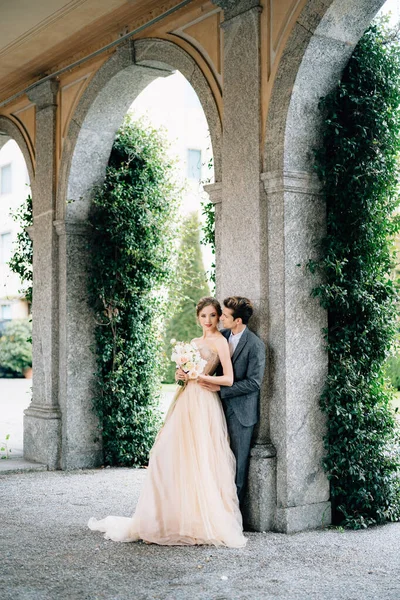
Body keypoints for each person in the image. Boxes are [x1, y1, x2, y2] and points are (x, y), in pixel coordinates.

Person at [88, 297, 246, 547]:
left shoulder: (221, 342)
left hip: (205, 402)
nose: (208, 320)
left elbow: (228, 378)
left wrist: (202, 376)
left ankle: (199, 521)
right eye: (203, 316)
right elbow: (182, 379)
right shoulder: (193, 343)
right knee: (166, 454)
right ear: (198, 318)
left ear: (218, 317)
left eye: (213, 316)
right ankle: (168, 519)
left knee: (201, 459)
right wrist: (181, 375)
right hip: (185, 401)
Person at [199, 297, 266, 511]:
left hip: (241, 413)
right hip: (216, 407)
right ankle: (214, 510)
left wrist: (222, 388)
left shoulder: (256, 345)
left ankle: (233, 518)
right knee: (217, 460)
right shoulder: (222, 336)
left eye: (225, 316)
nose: (220, 318)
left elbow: (254, 383)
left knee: (237, 467)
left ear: (237, 321)